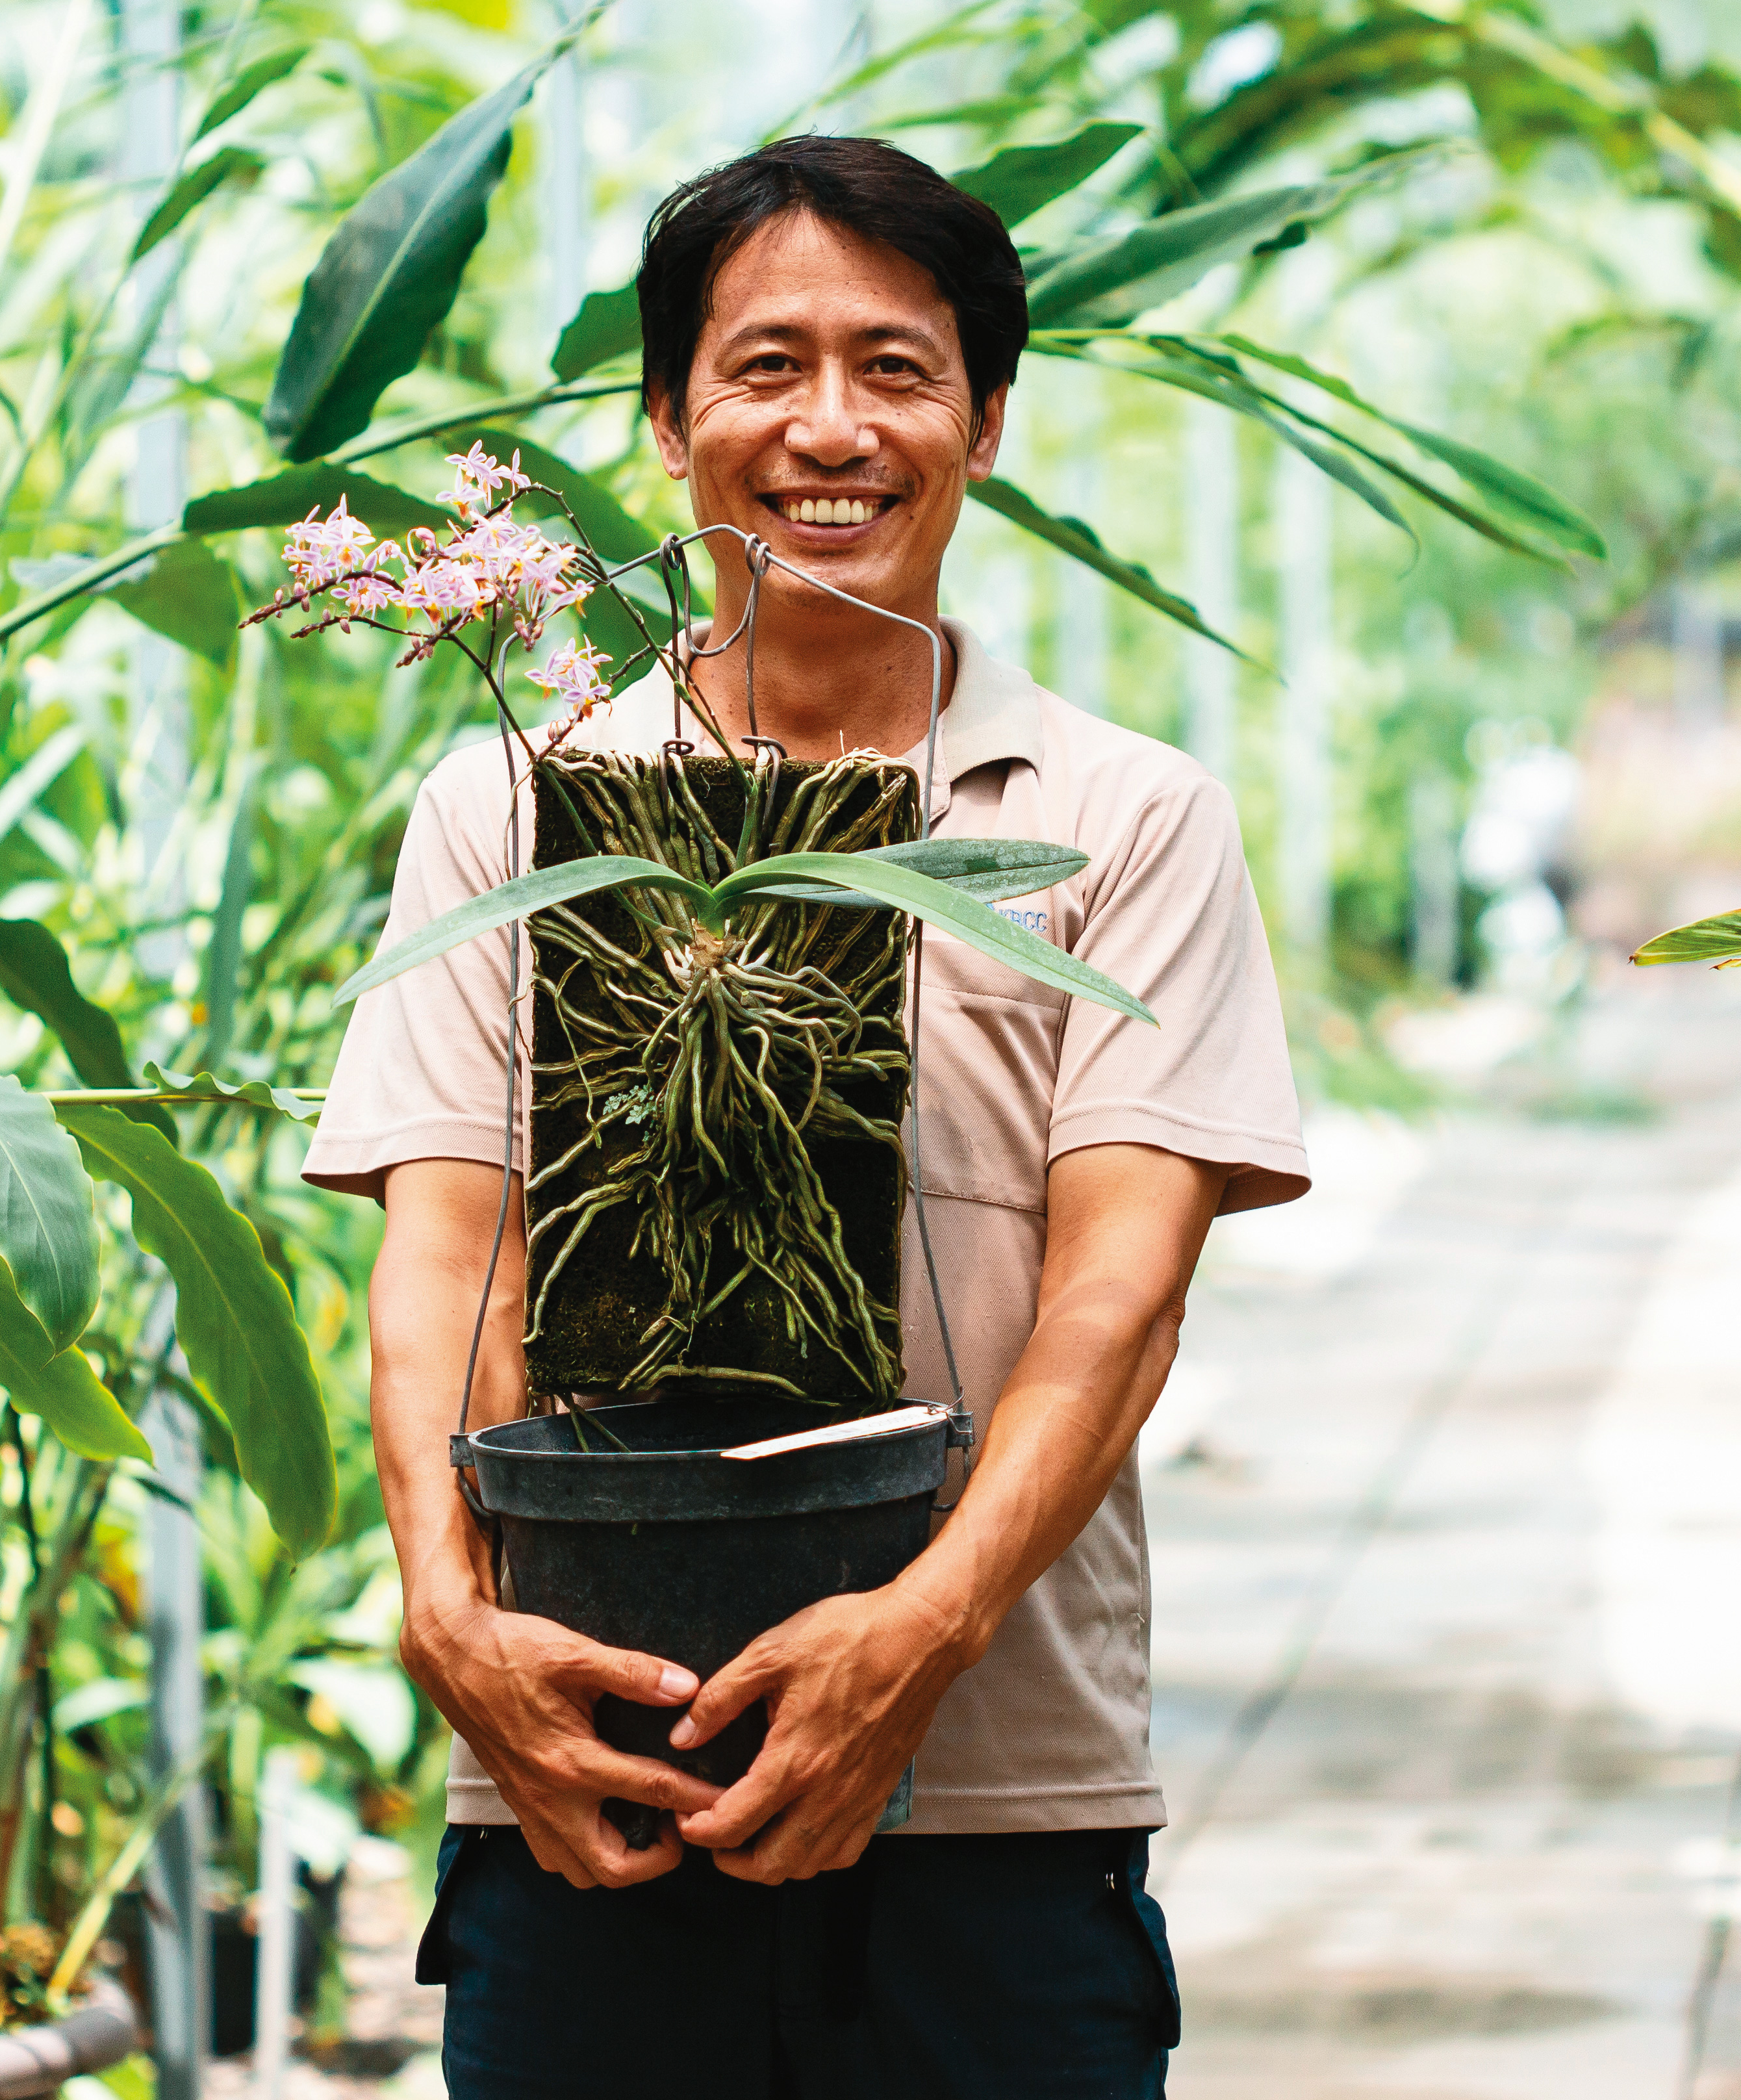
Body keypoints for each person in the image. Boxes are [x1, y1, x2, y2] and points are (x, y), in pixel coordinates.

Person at [301, 135, 1310, 2097]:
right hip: (590, 1782)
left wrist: (915, 1636)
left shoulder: (1119, 818)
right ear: (668, 419)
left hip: (998, 1819)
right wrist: (454, 1624)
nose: (829, 428)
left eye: (898, 369)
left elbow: (1123, 1300)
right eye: (765, 367)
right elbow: (444, 1263)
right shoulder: (520, 808)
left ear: (988, 423)